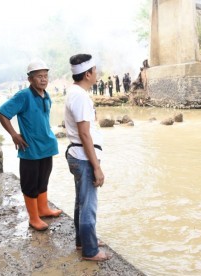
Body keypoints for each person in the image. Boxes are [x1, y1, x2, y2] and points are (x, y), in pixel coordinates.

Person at [0, 59, 61, 231]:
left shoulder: (46, 95)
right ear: (30, 79)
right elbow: (2, 112)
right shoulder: (24, 96)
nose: (43, 79)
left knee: (43, 180)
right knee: (30, 183)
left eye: (46, 76)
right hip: (30, 149)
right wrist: (14, 134)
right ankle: (33, 218)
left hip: (47, 146)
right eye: (39, 76)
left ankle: (43, 209)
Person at [65, 53, 110, 261]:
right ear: (88, 74)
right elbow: (84, 134)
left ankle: (83, 240)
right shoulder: (80, 96)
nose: (97, 73)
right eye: (95, 70)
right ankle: (90, 250)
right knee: (88, 204)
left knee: (81, 201)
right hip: (83, 157)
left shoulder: (76, 92)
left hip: (78, 155)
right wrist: (97, 167)